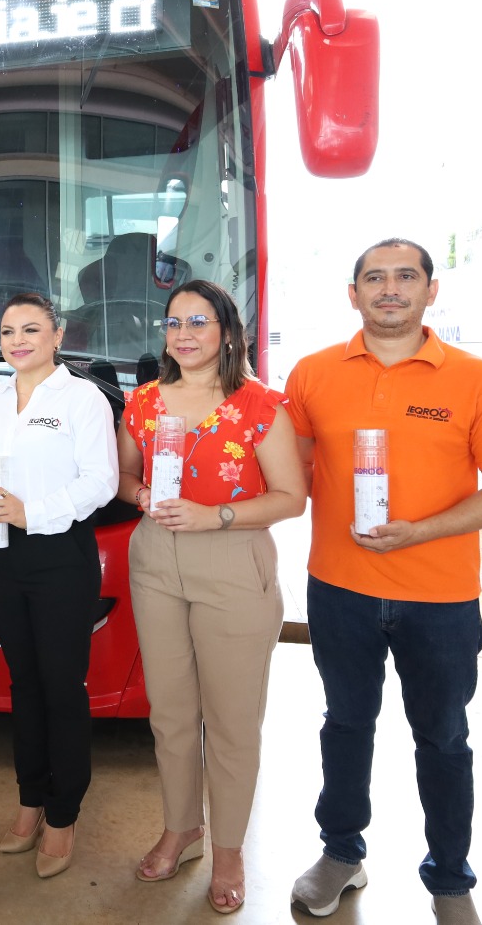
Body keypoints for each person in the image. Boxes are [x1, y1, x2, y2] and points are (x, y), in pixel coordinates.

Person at [285, 239, 482, 925]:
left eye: (404, 276)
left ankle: (450, 881)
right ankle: (341, 852)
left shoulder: (477, 380)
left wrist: (421, 531)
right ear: (353, 293)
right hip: (340, 587)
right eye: (374, 278)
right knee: (345, 724)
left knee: (444, 738)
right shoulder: (312, 374)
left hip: (441, 598)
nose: (389, 288)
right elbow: (290, 476)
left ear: (430, 290)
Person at [115, 280, 306, 914]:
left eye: (198, 321)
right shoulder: (144, 401)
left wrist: (215, 516)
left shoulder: (260, 405)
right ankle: (181, 829)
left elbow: (291, 498)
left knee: (232, 721)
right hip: (156, 560)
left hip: (232, 561)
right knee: (169, 712)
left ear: (226, 331)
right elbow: (123, 475)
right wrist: (141, 495)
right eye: (173, 323)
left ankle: (228, 849)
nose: (184, 334)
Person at [0, 291, 117, 879]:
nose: (17, 341)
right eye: (8, 331)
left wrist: (34, 514)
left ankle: (63, 812)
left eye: (31, 329)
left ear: (58, 335)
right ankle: (30, 798)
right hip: (2, 554)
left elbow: (101, 481)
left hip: (60, 555)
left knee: (61, 688)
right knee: (24, 685)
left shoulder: (81, 398)